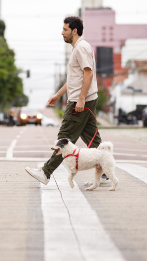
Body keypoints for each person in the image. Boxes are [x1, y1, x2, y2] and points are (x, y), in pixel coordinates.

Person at [25, 16, 109, 186]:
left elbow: (88, 74)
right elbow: (74, 79)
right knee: (93, 139)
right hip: (86, 99)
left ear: (74, 31)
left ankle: (46, 173)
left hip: (81, 101)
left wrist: (81, 99)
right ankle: (105, 174)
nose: (62, 32)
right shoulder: (78, 48)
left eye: (65, 29)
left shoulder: (81, 48)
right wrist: (57, 95)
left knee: (64, 138)